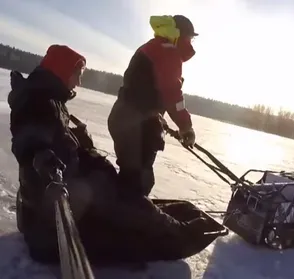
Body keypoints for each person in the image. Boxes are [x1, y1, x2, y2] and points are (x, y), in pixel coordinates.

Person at [9, 44, 211, 265]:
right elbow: (30, 138)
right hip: (51, 215)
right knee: (124, 203)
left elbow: (52, 136)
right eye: (77, 75)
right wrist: (44, 158)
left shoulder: (47, 98)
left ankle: (162, 224)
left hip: (61, 193)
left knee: (121, 193)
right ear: (61, 71)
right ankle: (177, 236)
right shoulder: (38, 101)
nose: (78, 82)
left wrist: (77, 142)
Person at [108, 15, 197, 197]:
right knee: (137, 183)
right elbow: (172, 93)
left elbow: (147, 90)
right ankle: (122, 222)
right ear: (180, 35)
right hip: (136, 126)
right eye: (190, 38)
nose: (191, 43)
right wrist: (186, 127)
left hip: (125, 119)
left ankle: (114, 216)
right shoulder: (168, 52)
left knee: (130, 178)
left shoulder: (152, 46)